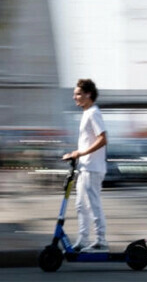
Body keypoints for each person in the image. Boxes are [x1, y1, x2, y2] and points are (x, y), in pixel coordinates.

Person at [63, 78, 108, 252]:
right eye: (74, 94)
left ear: (88, 94)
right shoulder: (86, 113)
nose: (75, 97)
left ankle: (101, 240)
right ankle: (82, 240)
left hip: (93, 168)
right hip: (84, 167)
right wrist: (74, 154)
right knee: (81, 205)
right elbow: (86, 142)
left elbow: (103, 139)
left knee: (93, 204)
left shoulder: (93, 113)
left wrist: (80, 153)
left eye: (78, 94)